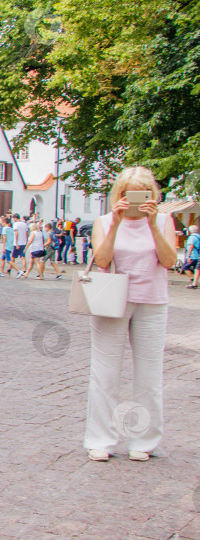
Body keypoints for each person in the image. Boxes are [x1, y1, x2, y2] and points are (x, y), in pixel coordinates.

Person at [84, 166, 176, 462]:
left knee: (149, 375)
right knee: (105, 373)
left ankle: (144, 441)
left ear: (153, 195)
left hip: (152, 301)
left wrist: (151, 225)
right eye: (128, 194)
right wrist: (115, 224)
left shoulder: (163, 220)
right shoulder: (105, 220)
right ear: (119, 195)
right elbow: (102, 259)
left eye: (143, 194)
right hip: (111, 300)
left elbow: (169, 261)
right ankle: (100, 438)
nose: (135, 201)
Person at [12, 213, 29, 277]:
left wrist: (16, 243)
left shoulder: (15, 224)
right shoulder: (24, 224)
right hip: (23, 242)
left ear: (15, 218)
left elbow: (16, 233)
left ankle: (11, 268)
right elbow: (27, 233)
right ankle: (24, 269)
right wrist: (26, 240)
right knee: (22, 257)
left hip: (17, 243)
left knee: (13, 257)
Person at [183, 224, 200, 288]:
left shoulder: (192, 237)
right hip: (198, 255)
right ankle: (194, 282)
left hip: (193, 255)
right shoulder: (199, 236)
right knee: (197, 269)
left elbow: (191, 246)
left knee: (185, 268)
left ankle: (192, 280)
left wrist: (189, 256)